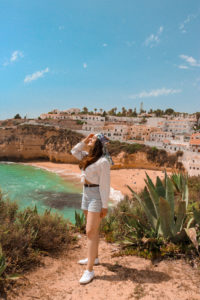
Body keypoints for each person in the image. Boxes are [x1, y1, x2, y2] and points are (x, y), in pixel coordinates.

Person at [71, 133, 113, 284]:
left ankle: (89, 271)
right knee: (93, 231)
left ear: (99, 144)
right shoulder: (87, 157)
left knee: (90, 231)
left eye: (93, 139)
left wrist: (104, 206)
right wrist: (84, 140)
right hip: (86, 193)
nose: (90, 140)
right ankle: (93, 258)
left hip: (96, 195)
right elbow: (74, 151)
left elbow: (105, 186)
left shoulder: (103, 162)